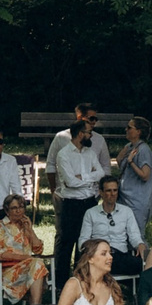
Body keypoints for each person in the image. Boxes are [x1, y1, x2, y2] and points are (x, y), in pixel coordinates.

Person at [47, 108, 111, 287]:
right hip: (71, 204)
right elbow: (69, 182)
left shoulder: (90, 153)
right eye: (89, 133)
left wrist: (83, 178)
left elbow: (100, 174)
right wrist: (86, 180)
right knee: (67, 242)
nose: (91, 136)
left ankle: (80, 281)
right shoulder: (64, 154)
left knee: (85, 243)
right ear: (80, 134)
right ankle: (60, 284)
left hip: (89, 202)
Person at [0, 193, 50, 305]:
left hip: (27, 268)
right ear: (6, 210)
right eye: (14, 208)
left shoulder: (24, 226)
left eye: (21, 207)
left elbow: (38, 250)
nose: (18, 211)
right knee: (37, 265)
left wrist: (30, 230)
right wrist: (26, 258)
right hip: (5, 271)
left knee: (37, 264)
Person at [79, 174, 145, 278]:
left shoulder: (126, 211)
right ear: (101, 192)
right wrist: (91, 251)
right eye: (108, 191)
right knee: (88, 263)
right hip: (99, 256)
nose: (112, 194)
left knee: (144, 264)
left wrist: (140, 244)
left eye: (115, 190)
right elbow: (83, 239)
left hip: (120, 256)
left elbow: (134, 235)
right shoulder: (91, 213)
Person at [114, 117, 152, 228]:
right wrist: (121, 157)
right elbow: (120, 164)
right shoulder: (129, 146)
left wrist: (131, 162)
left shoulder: (143, 150)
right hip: (124, 198)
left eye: (129, 127)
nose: (125, 130)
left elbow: (145, 175)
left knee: (136, 235)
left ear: (138, 131)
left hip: (137, 201)